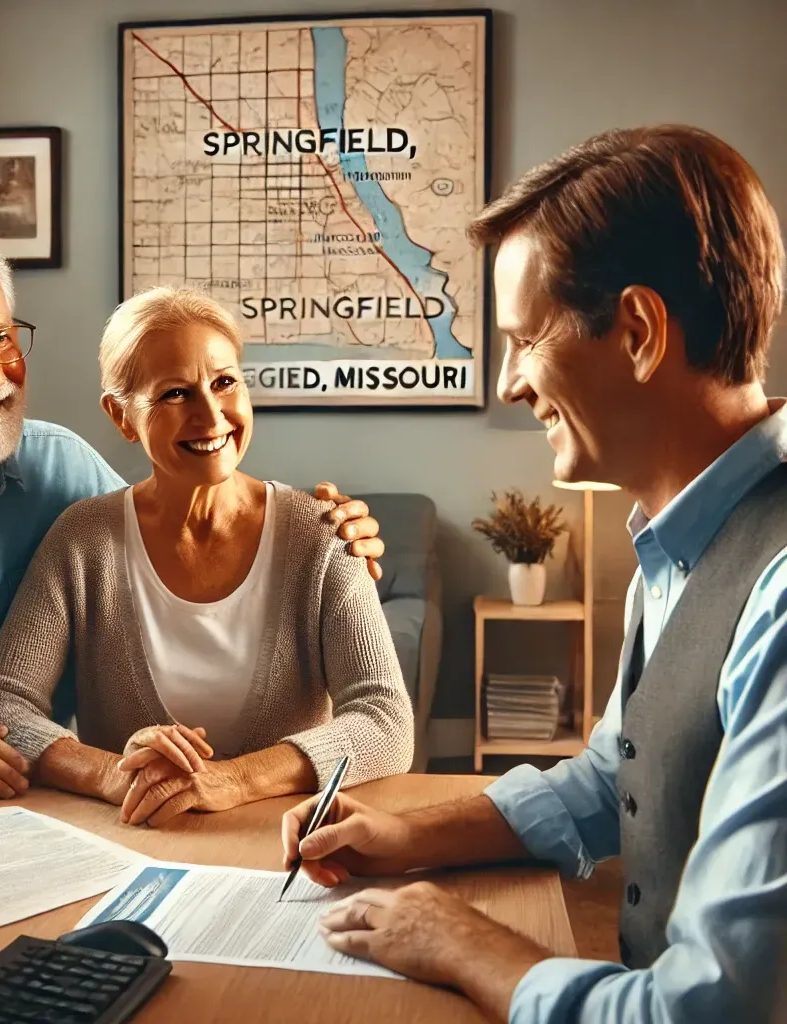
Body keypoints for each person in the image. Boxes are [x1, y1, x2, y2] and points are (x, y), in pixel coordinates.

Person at [281, 124, 787, 1023]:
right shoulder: (676, 546)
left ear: (636, 331)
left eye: (524, 339)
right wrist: (406, 834)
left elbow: (703, 1012)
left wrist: (462, 939)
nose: (510, 381)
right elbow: (615, 775)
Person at [0, 213, 385, 806]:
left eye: (1, 339)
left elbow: (174, 515)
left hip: (28, 811)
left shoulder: (64, 470)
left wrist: (339, 537)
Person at [0, 286, 415, 827]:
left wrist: (234, 778)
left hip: (282, 847)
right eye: (175, 394)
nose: (210, 414)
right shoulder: (83, 540)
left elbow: (385, 722)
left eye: (225, 382)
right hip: (133, 844)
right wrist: (111, 773)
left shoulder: (325, 535)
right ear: (123, 417)